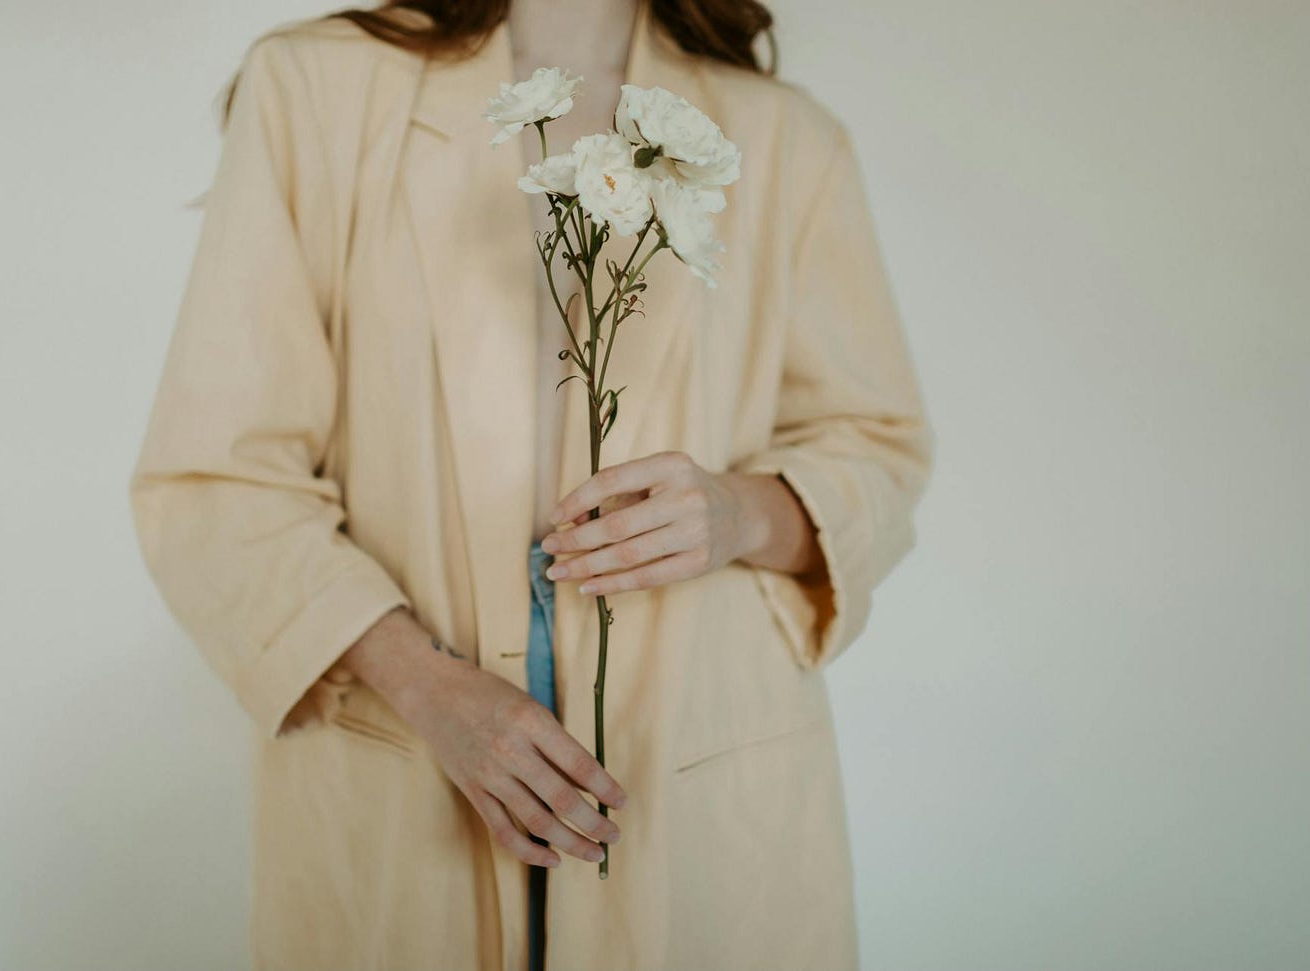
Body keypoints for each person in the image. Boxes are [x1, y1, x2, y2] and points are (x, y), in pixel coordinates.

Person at [128, 1, 935, 968]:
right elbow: (217, 477)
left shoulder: (786, 137)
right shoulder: (312, 86)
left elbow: (876, 448)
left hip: (704, 779)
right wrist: (429, 688)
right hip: (407, 755)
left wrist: (736, 512)